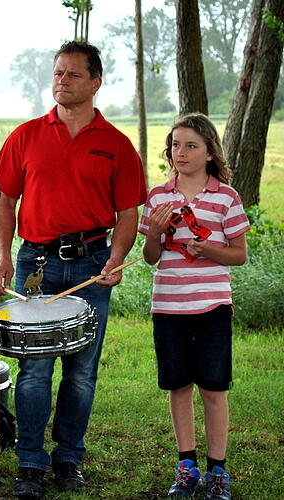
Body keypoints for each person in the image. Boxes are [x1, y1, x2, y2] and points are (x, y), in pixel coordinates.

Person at [0, 41, 147, 499]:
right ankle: (31, 464)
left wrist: (116, 259)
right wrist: (3, 256)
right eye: (58, 73)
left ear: (96, 82)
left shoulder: (116, 144)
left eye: (73, 75)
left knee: (81, 370)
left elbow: (128, 213)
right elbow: (6, 202)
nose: (62, 81)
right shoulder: (25, 136)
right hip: (34, 262)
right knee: (35, 370)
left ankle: (69, 458)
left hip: (92, 264)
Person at [139, 113, 248, 500]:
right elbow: (151, 257)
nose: (180, 152)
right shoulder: (157, 197)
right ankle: (187, 466)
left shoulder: (226, 197)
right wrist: (154, 232)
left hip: (212, 306)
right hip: (168, 305)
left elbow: (239, 255)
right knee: (178, 386)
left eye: (190, 145)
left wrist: (208, 250)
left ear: (208, 153)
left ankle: (218, 471)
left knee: (214, 389)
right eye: (175, 145)